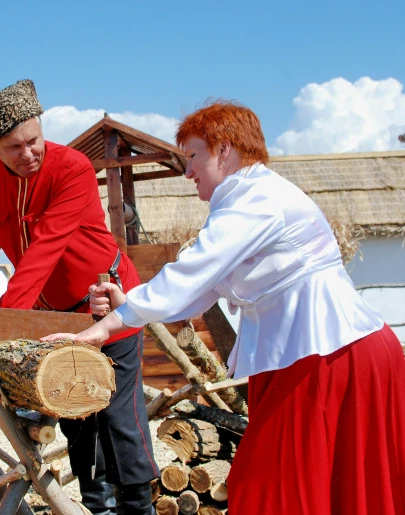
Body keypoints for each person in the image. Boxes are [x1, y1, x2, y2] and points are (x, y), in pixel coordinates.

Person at [43, 100, 405, 514]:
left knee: (281, 488)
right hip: (317, 356)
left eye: (194, 156)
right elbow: (203, 287)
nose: (188, 171)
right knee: (291, 487)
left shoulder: (256, 197)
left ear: (224, 150)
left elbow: (196, 270)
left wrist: (106, 327)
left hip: (334, 356)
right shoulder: (246, 201)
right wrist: (129, 306)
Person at [0, 80, 159, 515]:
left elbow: (45, 247)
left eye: (34, 141)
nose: (29, 154)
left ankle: (139, 507)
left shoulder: (72, 167)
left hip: (105, 305)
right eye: (15, 147)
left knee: (119, 416)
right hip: (52, 319)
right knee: (77, 416)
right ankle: (98, 508)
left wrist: (6, 328)